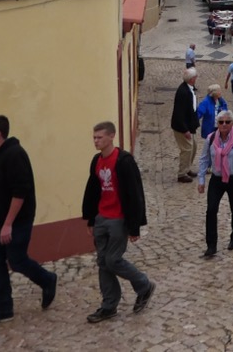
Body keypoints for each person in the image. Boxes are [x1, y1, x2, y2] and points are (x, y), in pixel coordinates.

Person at [0, 115, 57, 324]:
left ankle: (47, 280)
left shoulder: (14, 155)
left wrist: (8, 224)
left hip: (16, 221)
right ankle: (4, 308)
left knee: (17, 260)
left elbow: (20, 192)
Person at [81, 121, 154, 323]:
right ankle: (108, 306)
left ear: (111, 137)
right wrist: (90, 218)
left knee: (113, 260)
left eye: (100, 137)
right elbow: (92, 189)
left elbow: (135, 194)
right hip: (101, 218)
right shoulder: (96, 160)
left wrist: (135, 225)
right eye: (94, 137)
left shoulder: (124, 161)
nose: (96, 141)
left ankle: (144, 284)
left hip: (118, 220)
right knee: (103, 263)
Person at [197, 110, 233, 258]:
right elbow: (203, 159)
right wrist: (201, 180)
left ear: (232, 123)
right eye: (221, 122)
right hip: (216, 179)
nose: (223, 124)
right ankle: (211, 245)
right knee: (211, 210)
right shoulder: (211, 139)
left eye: (227, 122)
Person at [171, 68, 200, 183]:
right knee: (187, 149)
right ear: (191, 79)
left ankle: (187, 168)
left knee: (194, 147)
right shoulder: (183, 92)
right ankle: (181, 174)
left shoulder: (189, 89)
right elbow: (179, 113)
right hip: (182, 127)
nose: (196, 78)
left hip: (189, 125)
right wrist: (185, 130)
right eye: (195, 77)